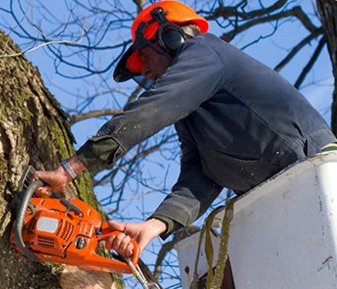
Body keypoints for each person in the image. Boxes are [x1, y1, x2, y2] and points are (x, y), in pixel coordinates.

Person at [35, 0, 337, 258]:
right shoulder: (192, 113)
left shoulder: (206, 52)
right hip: (281, 195)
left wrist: (70, 168)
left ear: (170, 37)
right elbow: (200, 175)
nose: (147, 72)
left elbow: (155, 107)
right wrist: (154, 226)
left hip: (313, 168)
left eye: (145, 57)